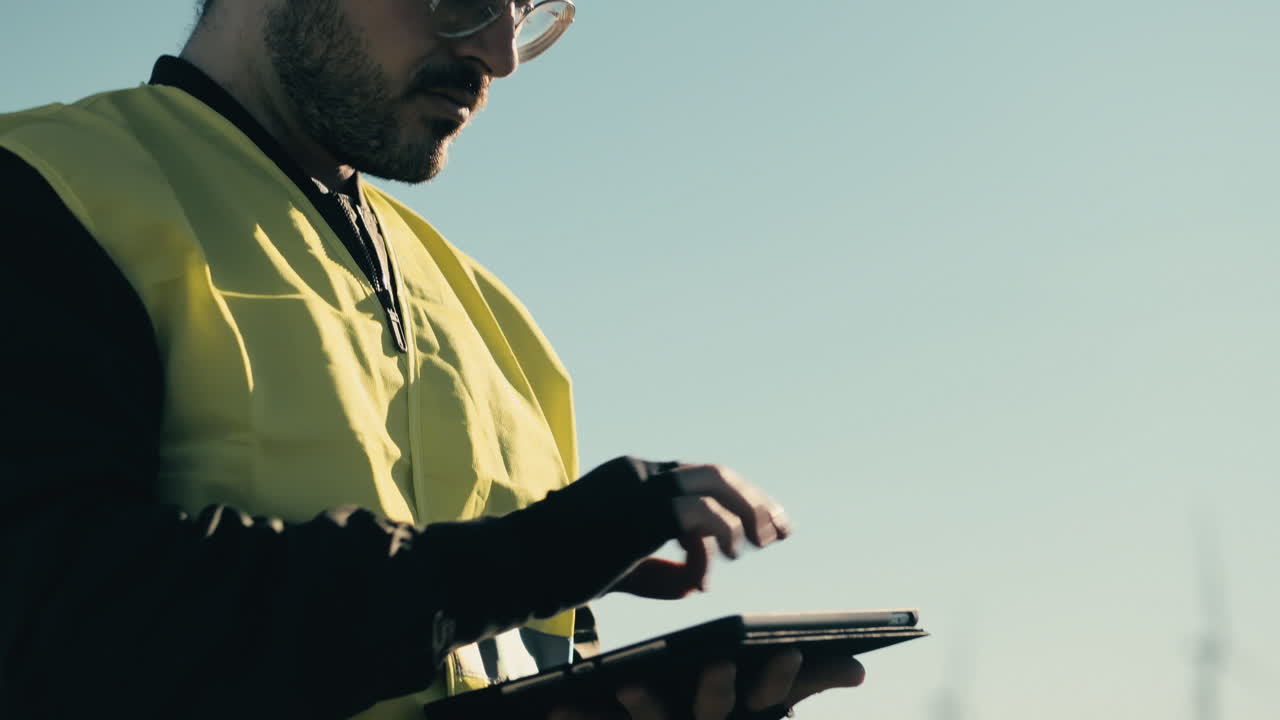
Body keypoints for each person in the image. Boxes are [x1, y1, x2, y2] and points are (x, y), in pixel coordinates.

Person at [0, 1, 866, 718]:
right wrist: (530, 558)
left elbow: (500, 642)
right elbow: (60, 617)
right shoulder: (44, 187)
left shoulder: (489, 311)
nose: (498, 53)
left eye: (524, 11)